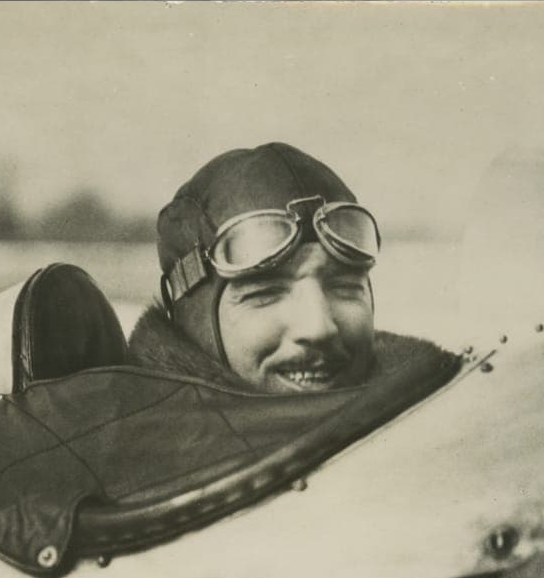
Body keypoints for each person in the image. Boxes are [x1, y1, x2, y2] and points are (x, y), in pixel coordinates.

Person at [128, 141, 449, 392]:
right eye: (265, 292)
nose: (319, 328)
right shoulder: (123, 460)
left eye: (345, 287)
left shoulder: (436, 417)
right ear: (190, 320)